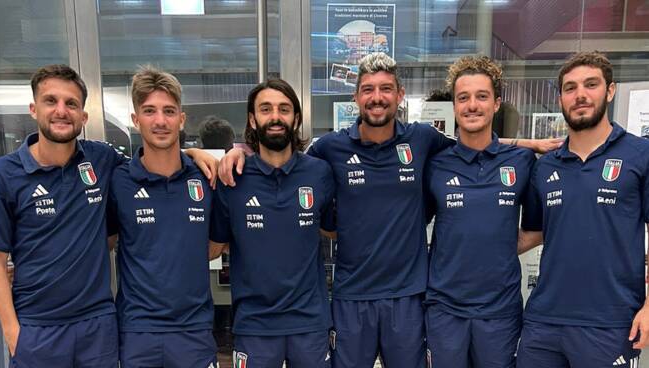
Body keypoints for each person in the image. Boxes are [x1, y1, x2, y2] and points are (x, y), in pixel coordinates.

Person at [219, 52, 561, 368]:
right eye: (367, 89)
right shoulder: (330, 149)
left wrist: (527, 144)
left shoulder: (423, 139)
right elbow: (284, 158)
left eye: (385, 88)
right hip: (352, 295)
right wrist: (239, 151)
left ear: (399, 95)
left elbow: (474, 143)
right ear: (356, 98)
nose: (376, 96)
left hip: (409, 297)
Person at [0, 64, 217, 368]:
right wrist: (11, 331)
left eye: (71, 104)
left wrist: (194, 154)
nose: (61, 111)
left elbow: (157, 156)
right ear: (33, 108)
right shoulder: (2, 174)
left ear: (83, 117)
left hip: (98, 327)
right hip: (38, 327)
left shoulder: (102, 161)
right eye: (51, 101)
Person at [516, 51, 649, 367]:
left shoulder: (640, 155)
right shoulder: (544, 167)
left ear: (610, 90)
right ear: (560, 97)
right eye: (570, 88)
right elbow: (532, 235)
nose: (580, 96)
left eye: (591, 84)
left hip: (610, 324)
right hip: (542, 322)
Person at [423, 56, 540, 368]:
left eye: (482, 96)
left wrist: (503, 244)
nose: (472, 105)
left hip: (499, 311)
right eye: (463, 98)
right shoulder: (435, 163)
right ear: (454, 106)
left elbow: (539, 227)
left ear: (497, 103)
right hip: (445, 309)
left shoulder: (520, 162)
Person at [210, 78, 334, 367]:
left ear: (296, 118)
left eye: (284, 109)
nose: (275, 117)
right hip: (254, 326)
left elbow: (332, 229)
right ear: (253, 120)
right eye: (266, 109)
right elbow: (215, 246)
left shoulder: (320, 173)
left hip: (310, 323)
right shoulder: (232, 178)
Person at [107, 66, 218, 367]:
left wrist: (198, 154)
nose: (160, 121)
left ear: (181, 119)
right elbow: (107, 242)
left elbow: (216, 246)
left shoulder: (207, 177)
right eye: (149, 111)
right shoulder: (117, 180)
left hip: (194, 329)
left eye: (169, 111)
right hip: (137, 332)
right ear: (135, 120)